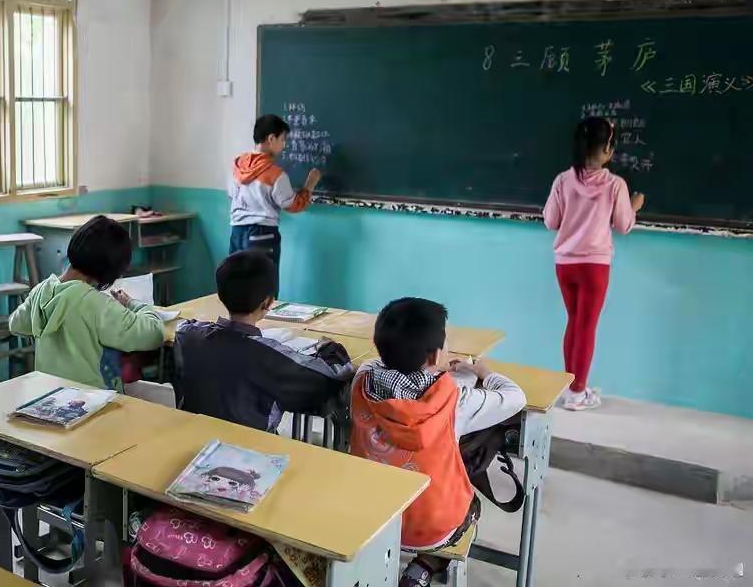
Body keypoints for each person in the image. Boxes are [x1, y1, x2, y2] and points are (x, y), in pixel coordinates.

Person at [349, 298, 525, 587]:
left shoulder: (362, 381)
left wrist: (434, 372)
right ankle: (424, 565)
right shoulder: (456, 401)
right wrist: (481, 372)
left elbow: (380, 368)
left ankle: (380, 561)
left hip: (370, 515)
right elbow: (515, 397)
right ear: (434, 355)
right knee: (471, 504)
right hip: (430, 529)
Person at [173, 250, 352, 432]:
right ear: (268, 303)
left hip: (194, 435)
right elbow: (335, 375)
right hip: (251, 444)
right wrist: (328, 347)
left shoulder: (187, 336)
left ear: (219, 295)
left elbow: (186, 326)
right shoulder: (269, 355)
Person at [544, 117, 645, 411]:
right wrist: (634, 206)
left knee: (574, 322)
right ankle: (577, 394)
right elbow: (623, 225)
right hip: (594, 266)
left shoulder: (563, 180)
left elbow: (551, 221)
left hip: (565, 264)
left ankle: (572, 386)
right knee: (586, 327)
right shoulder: (615, 184)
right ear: (606, 150)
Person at [9, 215, 164, 391]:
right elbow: (154, 334)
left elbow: (16, 324)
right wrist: (131, 303)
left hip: (51, 397)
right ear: (109, 269)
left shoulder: (41, 291)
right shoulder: (97, 305)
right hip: (92, 401)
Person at [228, 115, 321, 276]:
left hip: (236, 232)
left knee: (238, 282)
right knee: (263, 284)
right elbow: (292, 205)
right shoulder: (275, 174)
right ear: (271, 139)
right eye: (283, 139)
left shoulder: (237, 166)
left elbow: (231, 194)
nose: (284, 145)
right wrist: (310, 185)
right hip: (262, 234)